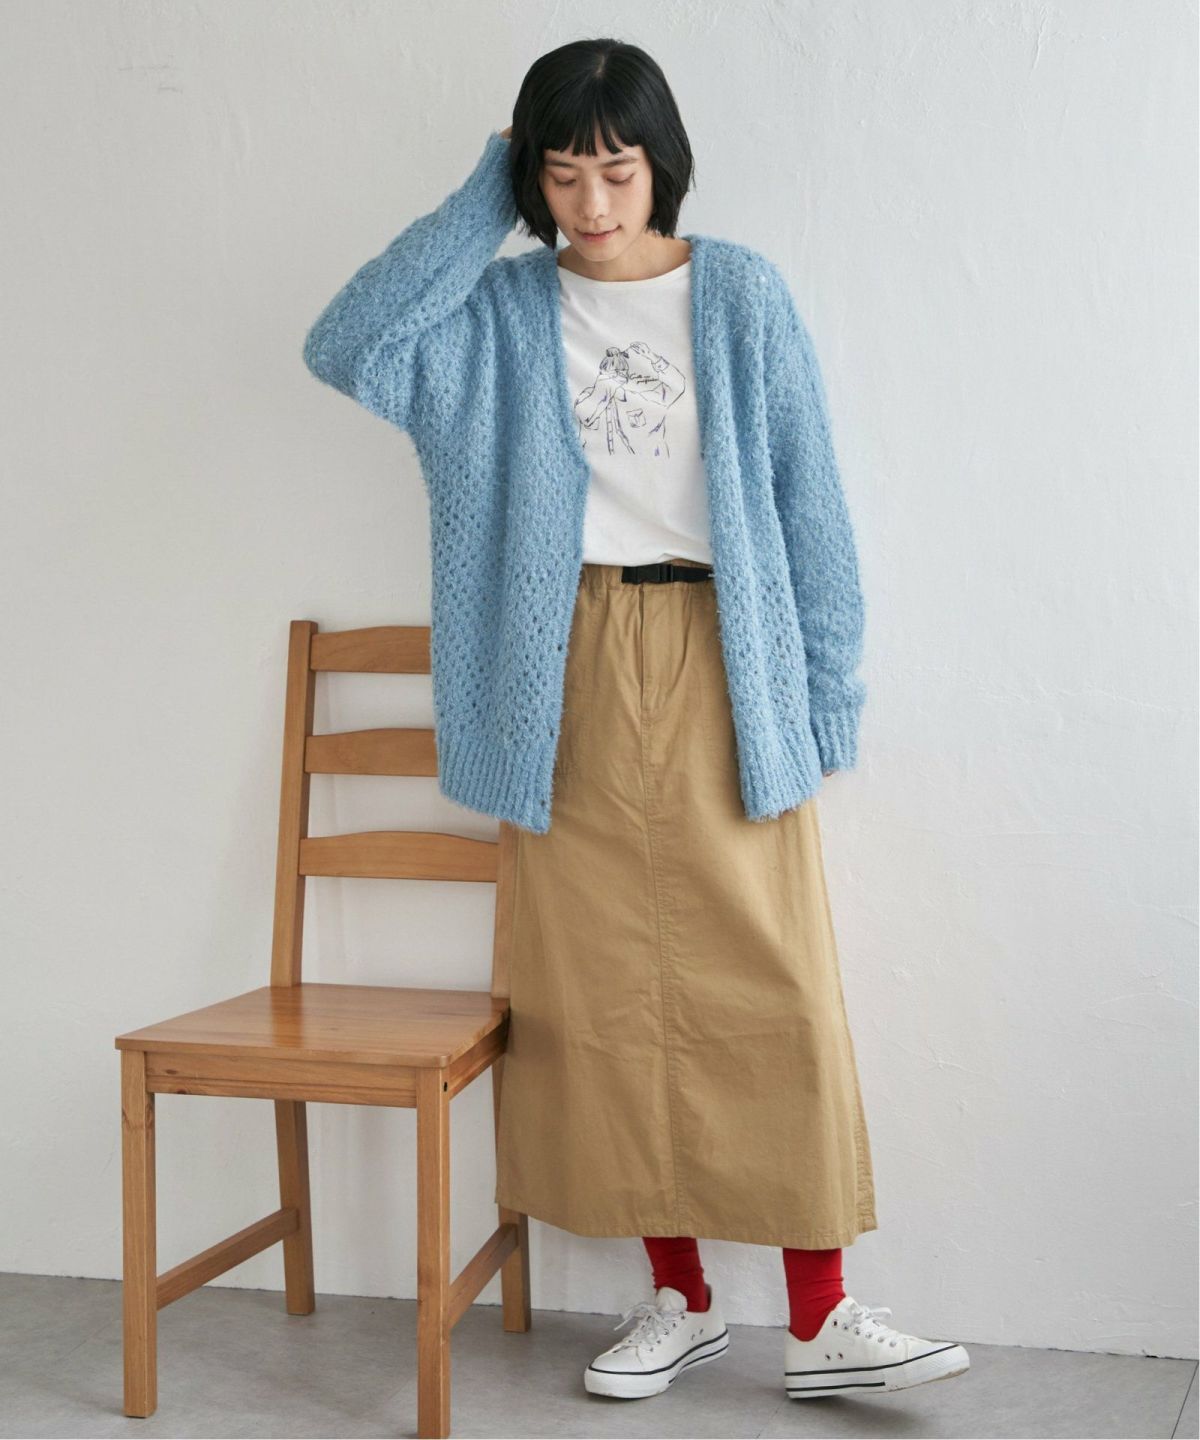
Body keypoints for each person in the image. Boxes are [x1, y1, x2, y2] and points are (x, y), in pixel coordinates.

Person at [303, 35, 969, 1406]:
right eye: (561, 173)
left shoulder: (740, 296)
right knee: (595, 993)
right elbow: (348, 344)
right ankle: (680, 1295)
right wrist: (485, 195)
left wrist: (823, 694)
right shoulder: (497, 313)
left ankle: (823, 1314)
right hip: (563, 660)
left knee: (776, 983)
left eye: (615, 169)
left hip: (730, 652)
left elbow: (810, 504)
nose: (593, 202)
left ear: (661, 163)